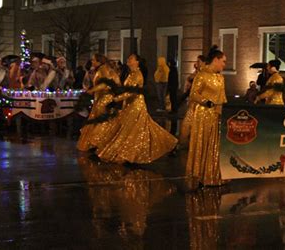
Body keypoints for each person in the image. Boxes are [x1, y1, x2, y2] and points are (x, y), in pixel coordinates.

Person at [97, 54, 177, 164]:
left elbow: (132, 92)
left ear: (137, 62)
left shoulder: (138, 75)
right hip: (129, 105)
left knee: (133, 129)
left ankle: (165, 142)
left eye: (131, 58)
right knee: (131, 129)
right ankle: (128, 152)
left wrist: (116, 99)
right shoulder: (131, 74)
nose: (128, 60)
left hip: (136, 105)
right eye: (128, 58)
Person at [186, 45, 227, 187]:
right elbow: (193, 94)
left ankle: (212, 174)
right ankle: (199, 174)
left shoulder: (221, 78)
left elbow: (222, 98)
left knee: (214, 144)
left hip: (216, 115)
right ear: (215, 60)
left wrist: (223, 113)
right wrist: (206, 102)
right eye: (223, 61)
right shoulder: (202, 75)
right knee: (202, 142)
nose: (224, 64)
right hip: (203, 114)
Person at [77, 54, 120, 151]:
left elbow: (105, 84)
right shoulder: (102, 69)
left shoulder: (103, 70)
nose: (92, 62)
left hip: (104, 98)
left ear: (99, 62)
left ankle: (99, 142)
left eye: (94, 60)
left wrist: (91, 90)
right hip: (101, 97)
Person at [179, 55, 206, 146]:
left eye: (199, 61)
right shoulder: (196, 73)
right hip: (192, 102)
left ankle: (194, 142)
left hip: (200, 104)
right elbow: (189, 81)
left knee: (195, 124)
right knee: (187, 123)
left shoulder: (204, 75)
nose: (197, 63)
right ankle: (187, 141)